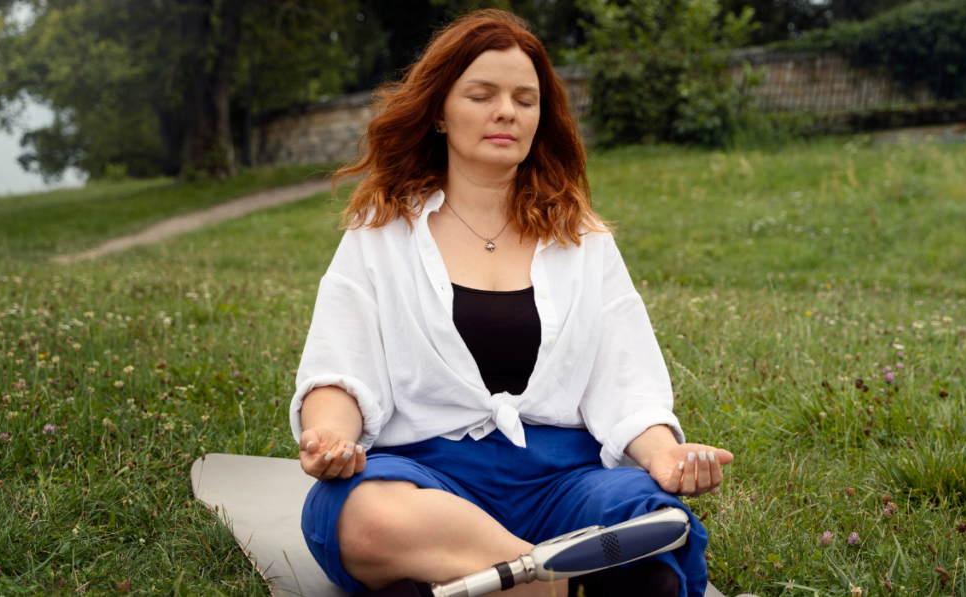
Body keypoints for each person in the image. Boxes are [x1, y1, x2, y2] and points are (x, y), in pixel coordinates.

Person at [291, 9, 734, 597]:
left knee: (648, 516)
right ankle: (560, 583)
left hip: (563, 483)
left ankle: (482, 582)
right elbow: (340, 370)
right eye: (482, 94)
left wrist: (665, 457)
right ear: (441, 113)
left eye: (526, 100)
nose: (507, 111)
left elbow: (626, 383)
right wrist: (330, 438)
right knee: (363, 515)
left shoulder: (583, 238)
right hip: (429, 482)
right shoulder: (380, 233)